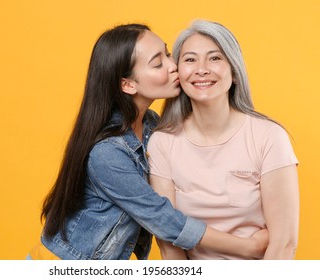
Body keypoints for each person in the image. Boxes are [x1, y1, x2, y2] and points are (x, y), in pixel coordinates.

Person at [27, 23, 268, 260]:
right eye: (158, 63)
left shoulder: (152, 124)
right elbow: (163, 218)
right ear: (128, 84)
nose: (174, 66)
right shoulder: (107, 153)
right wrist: (246, 248)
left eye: (167, 54)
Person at [147, 19, 299, 260]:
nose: (202, 69)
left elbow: (284, 244)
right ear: (178, 74)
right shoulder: (162, 142)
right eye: (190, 59)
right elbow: (169, 244)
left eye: (215, 58)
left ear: (235, 72)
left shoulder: (269, 137)